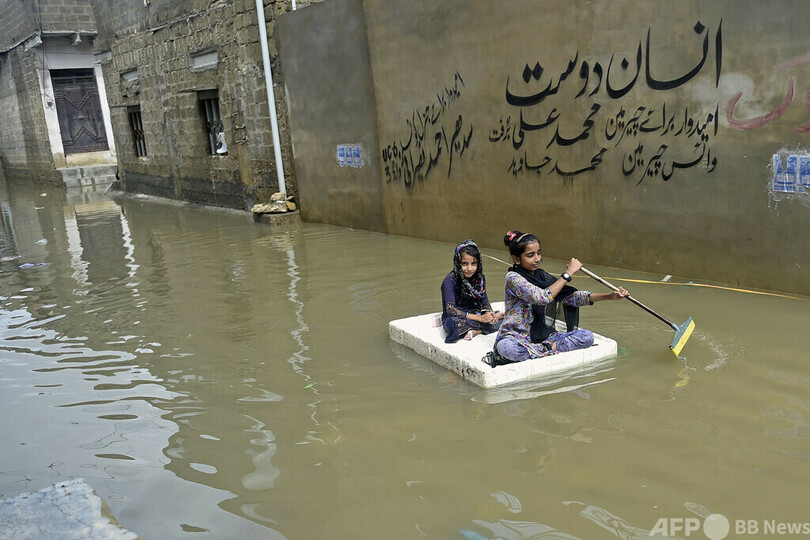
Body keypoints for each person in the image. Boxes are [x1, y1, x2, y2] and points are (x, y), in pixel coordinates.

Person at [492, 230, 629, 363]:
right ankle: (549, 349)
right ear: (516, 259)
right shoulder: (513, 278)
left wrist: (610, 296)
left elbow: (572, 297)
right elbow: (541, 298)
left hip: (545, 337)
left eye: (539, 253)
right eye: (530, 255)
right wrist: (567, 273)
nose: (537, 259)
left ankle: (542, 350)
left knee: (586, 337)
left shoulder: (542, 276)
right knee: (507, 348)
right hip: (516, 337)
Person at [440, 239, 504, 343]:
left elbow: (485, 303)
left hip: (475, 313)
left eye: (473, 264)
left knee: (508, 320)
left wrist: (490, 315)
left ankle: (476, 331)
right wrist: (481, 318)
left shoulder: (480, 278)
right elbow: (451, 310)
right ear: (457, 262)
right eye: (464, 263)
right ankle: (483, 326)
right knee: (452, 325)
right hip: (458, 317)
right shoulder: (449, 280)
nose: (470, 268)